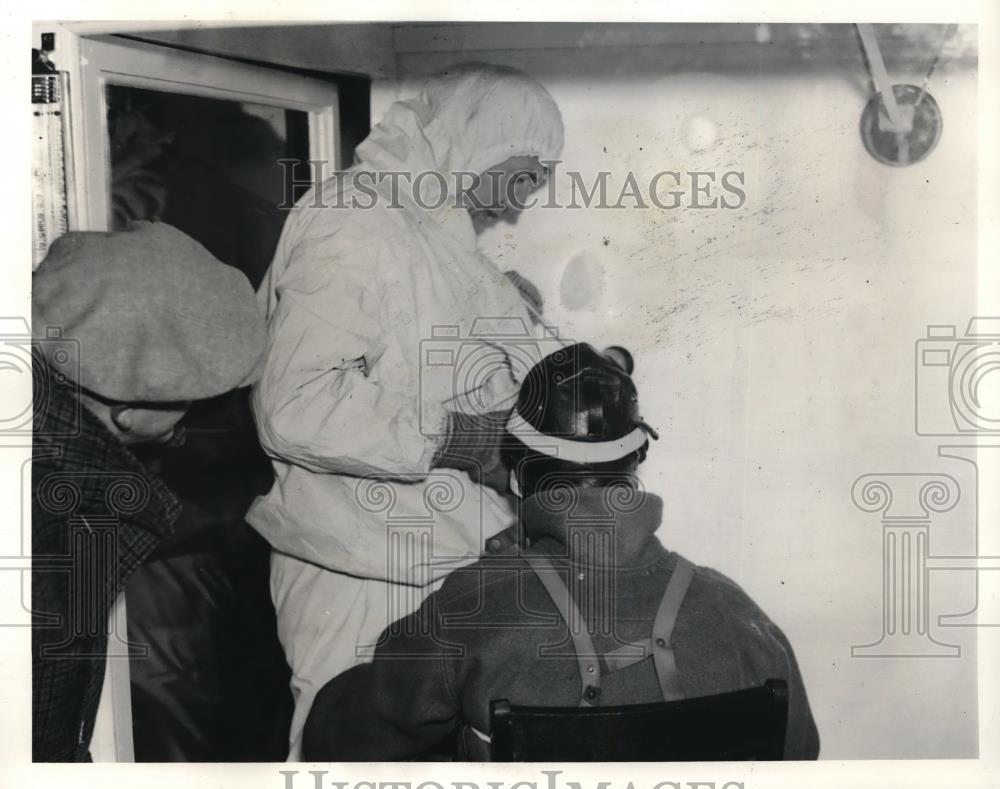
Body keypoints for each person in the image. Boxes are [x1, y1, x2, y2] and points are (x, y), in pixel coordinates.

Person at [248, 63, 564, 758]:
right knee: (349, 756)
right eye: (519, 179)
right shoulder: (352, 219)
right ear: (472, 143)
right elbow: (296, 403)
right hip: (361, 576)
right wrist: (459, 438)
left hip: (440, 567)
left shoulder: (432, 232)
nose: (515, 209)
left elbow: (421, 355)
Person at [301, 343, 821, 761]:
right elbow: (800, 756)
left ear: (521, 474)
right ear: (635, 466)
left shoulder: (471, 608)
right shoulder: (740, 616)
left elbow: (335, 738)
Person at [31, 221, 266, 761]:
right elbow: (40, 738)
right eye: (188, 396)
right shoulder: (55, 528)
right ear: (126, 409)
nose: (188, 421)